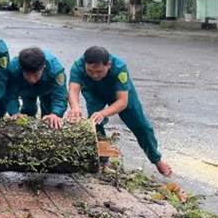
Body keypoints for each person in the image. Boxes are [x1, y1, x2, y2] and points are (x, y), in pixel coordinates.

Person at [67, 45, 172, 176]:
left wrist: (103, 113)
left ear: (108, 65)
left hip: (120, 93)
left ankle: (156, 159)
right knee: (94, 123)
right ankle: (102, 161)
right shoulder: (79, 65)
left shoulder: (119, 68)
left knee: (141, 125)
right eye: (90, 71)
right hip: (93, 92)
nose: (94, 75)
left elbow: (122, 102)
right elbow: (73, 89)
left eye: (99, 71)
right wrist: (75, 107)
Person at [6, 46, 68, 129]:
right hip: (25, 88)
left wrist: (55, 113)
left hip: (47, 88)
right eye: (28, 75)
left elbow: (60, 96)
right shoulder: (13, 69)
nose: (32, 80)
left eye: (36, 75)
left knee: (49, 114)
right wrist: (14, 112)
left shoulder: (55, 70)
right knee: (28, 110)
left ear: (43, 67)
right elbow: (10, 94)